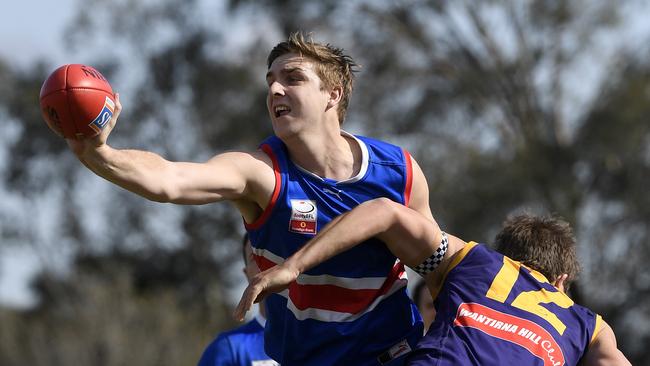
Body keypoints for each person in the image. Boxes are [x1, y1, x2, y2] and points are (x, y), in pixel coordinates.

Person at [66, 32, 430, 365]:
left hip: (399, 355)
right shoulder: (261, 174)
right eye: (270, 81)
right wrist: (101, 155)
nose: (274, 90)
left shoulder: (398, 170)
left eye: (293, 78)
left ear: (332, 94)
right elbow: (171, 181)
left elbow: (439, 269)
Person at [235, 198, 631, 365]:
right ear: (561, 280)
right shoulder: (587, 325)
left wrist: (293, 266)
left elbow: (386, 213)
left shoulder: (478, 265)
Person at [197, 234, 277, 366]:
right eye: (255, 257)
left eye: (274, 253)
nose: (266, 263)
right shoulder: (229, 350)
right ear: (247, 275)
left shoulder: (320, 338)